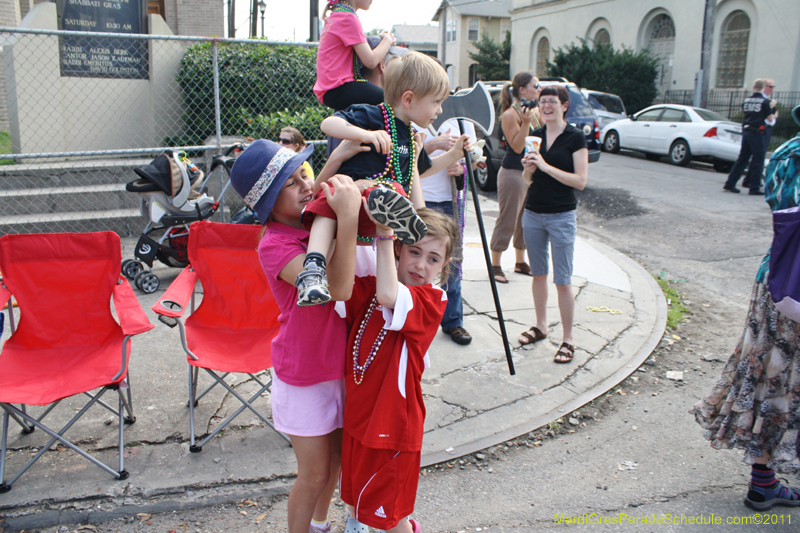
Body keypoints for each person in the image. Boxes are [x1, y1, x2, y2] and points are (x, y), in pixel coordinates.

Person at [228, 139, 362, 533]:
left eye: (304, 173)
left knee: (336, 463)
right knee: (315, 474)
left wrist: (336, 159)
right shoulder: (275, 245)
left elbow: (312, 196)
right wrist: (349, 219)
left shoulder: (303, 221)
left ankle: (320, 525)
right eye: (292, 182)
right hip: (304, 376)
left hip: (337, 366)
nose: (306, 184)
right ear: (269, 203)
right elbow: (336, 288)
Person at [691, 105, 800, 512]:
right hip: (792, 285)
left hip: (778, 280)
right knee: (781, 382)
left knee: (766, 377)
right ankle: (765, 480)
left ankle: (763, 481)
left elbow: (779, 206)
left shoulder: (788, 153)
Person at [295, 51, 468, 307]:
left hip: (379, 216)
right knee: (328, 199)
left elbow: (422, 170)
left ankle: (398, 214)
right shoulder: (373, 115)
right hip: (350, 199)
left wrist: (453, 154)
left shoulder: (410, 136)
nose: (440, 110)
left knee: (394, 190)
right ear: (408, 99)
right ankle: (313, 270)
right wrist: (363, 134)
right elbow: (328, 124)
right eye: (436, 102)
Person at [336, 207, 458, 533]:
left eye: (433, 259)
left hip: (393, 425)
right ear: (400, 251)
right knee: (355, 489)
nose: (421, 264)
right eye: (415, 251)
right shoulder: (370, 288)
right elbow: (338, 284)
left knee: (391, 517)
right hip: (359, 415)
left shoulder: (431, 300)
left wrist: (384, 231)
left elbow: (390, 294)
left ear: (443, 267)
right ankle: (355, 525)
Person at [517, 85, 588, 364]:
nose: (546, 106)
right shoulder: (535, 135)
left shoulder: (575, 137)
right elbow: (527, 180)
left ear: (564, 105)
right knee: (538, 274)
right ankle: (541, 326)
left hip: (561, 216)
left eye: (552, 102)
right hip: (533, 213)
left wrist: (545, 166)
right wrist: (528, 168)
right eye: (542, 102)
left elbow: (580, 181)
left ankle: (568, 339)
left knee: (562, 280)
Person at [420, 118, 476, 345]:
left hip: (449, 202)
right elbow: (400, 159)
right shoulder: (412, 115)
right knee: (414, 261)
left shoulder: (463, 121)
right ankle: (416, 318)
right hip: (419, 201)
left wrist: (462, 166)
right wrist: (432, 145)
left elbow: (473, 158)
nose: (439, 108)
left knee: (450, 263)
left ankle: (453, 321)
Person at [489, 71, 541, 284]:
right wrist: (527, 123)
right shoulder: (512, 114)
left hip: (530, 172)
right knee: (508, 218)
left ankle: (520, 262)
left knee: (525, 220)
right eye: (535, 86)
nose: (539, 90)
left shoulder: (534, 112)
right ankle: (495, 264)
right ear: (522, 90)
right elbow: (518, 146)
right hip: (513, 172)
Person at [313, 0, 395, 111]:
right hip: (338, 89)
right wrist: (388, 39)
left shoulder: (337, 15)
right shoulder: (347, 18)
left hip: (331, 91)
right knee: (391, 100)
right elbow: (371, 61)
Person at [724, 78, 776, 195]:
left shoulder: (746, 100)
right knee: (758, 159)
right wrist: (772, 110)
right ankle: (754, 187)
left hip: (746, 130)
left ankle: (730, 183)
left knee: (742, 159)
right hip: (757, 132)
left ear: (753, 87)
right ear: (763, 88)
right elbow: (770, 119)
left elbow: (746, 113)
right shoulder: (764, 102)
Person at [763, 78, 778, 152]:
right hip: (763, 127)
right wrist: (771, 107)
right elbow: (768, 117)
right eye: (770, 86)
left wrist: (773, 114)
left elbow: (776, 113)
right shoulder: (763, 100)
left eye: (773, 87)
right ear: (764, 87)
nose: (772, 89)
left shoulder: (770, 100)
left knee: (764, 149)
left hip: (768, 128)